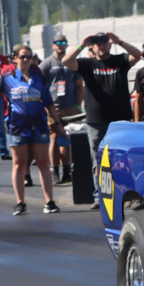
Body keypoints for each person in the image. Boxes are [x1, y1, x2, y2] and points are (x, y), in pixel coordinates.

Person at [0, 45, 61, 215]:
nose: (26, 60)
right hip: (17, 126)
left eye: (29, 57)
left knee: (43, 162)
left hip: (39, 125)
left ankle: (49, 201)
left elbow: (48, 102)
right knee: (19, 164)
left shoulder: (38, 78)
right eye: (22, 57)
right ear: (15, 58)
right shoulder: (7, 78)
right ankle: (20, 202)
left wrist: (58, 123)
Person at [68, 32, 141, 152]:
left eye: (104, 44)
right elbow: (66, 61)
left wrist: (120, 41)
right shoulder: (87, 64)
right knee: (98, 158)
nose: (101, 47)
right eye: (98, 44)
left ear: (110, 45)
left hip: (120, 119)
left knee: (121, 153)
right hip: (96, 120)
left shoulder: (120, 60)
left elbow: (138, 55)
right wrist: (81, 45)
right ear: (92, 47)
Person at [41, 35, 84, 184]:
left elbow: (80, 86)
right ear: (53, 46)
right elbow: (40, 85)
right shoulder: (47, 64)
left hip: (71, 107)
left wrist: (78, 105)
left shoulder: (71, 63)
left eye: (64, 43)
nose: (61, 46)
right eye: (58, 43)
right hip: (53, 107)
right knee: (53, 139)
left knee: (68, 139)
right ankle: (55, 170)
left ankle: (67, 170)